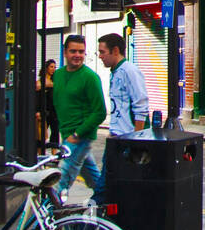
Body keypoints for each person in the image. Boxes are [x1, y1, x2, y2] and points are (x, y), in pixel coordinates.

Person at [52, 35, 107, 203]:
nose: (77, 55)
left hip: (79, 137)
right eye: (73, 51)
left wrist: (77, 134)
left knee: (61, 180)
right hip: (67, 135)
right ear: (65, 52)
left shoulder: (90, 77)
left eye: (81, 52)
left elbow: (100, 112)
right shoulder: (58, 75)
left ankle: (51, 215)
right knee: (93, 178)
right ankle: (109, 203)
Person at [98, 33, 150, 138]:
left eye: (102, 52)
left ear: (115, 51)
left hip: (129, 137)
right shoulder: (115, 72)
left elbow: (141, 106)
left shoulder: (130, 71)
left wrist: (136, 139)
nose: (100, 56)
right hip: (117, 136)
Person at [36, 60, 59, 148]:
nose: (53, 69)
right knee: (41, 133)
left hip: (54, 110)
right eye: (51, 67)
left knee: (55, 132)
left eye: (54, 67)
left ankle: (54, 152)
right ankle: (40, 151)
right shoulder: (41, 80)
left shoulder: (55, 80)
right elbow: (37, 87)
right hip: (44, 110)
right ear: (46, 68)